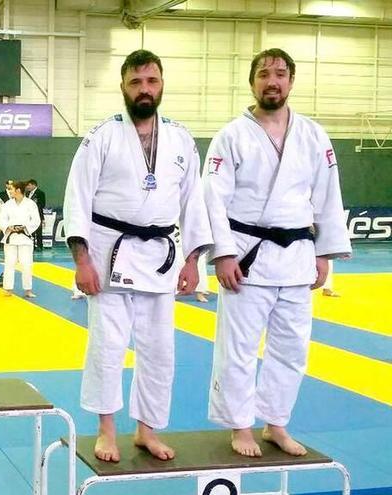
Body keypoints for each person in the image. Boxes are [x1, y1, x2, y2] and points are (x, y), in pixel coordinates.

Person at [63, 50, 212, 462]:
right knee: (107, 346)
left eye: (151, 81)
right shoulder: (101, 135)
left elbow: (193, 202)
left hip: (161, 256)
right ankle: (106, 430)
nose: (144, 89)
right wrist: (81, 260)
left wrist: (193, 259)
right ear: (123, 86)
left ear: (161, 84)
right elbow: (77, 196)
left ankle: (147, 430)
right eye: (136, 82)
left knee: (160, 349)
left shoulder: (181, 138)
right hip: (109, 252)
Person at [204, 48, 351, 458]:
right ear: (252, 82)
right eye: (265, 74)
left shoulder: (313, 134)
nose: (273, 81)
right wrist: (223, 254)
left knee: (292, 348)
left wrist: (324, 252)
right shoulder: (231, 135)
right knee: (238, 347)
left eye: (281, 74)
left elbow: (326, 196)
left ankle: (276, 423)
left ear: (291, 81)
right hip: (247, 256)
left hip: (297, 256)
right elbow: (213, 199)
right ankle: (240, 426)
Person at [0, 181, 40, 298]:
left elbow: (36, 220)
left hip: (25, 237)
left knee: (27, 264)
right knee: (9, 264)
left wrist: (25, 228)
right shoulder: (7, 204)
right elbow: (2, 219)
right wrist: (8, 227)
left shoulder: (31, 204)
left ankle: (28, 289)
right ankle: (8, 288)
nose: (10, 191)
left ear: (18, 190)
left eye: (11, 189)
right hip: (11, 237)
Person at [25, 179, 46, 251]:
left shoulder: (40, 193)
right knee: (31, 231)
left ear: (34, 185)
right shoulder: (27, 193)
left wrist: (33, 207)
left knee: (38, 231)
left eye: (29, 185)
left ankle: (40, 246)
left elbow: (42, 204)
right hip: (28, 215)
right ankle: (32, 245)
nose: (27, 187)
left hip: (38, 214)